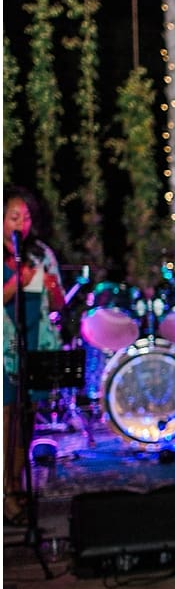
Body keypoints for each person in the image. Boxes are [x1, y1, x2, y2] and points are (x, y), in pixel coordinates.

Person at [4, 190, 68, 520]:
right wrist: (17, 281)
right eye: (14, 217)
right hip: (5, 348)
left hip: (35, 343)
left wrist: (54, 288)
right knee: (7, 419)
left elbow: (58, 305)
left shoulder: (40, 253)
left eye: (26, 218)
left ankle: (17, 484)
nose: (21, 224)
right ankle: (6, 491)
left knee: (27, 419)